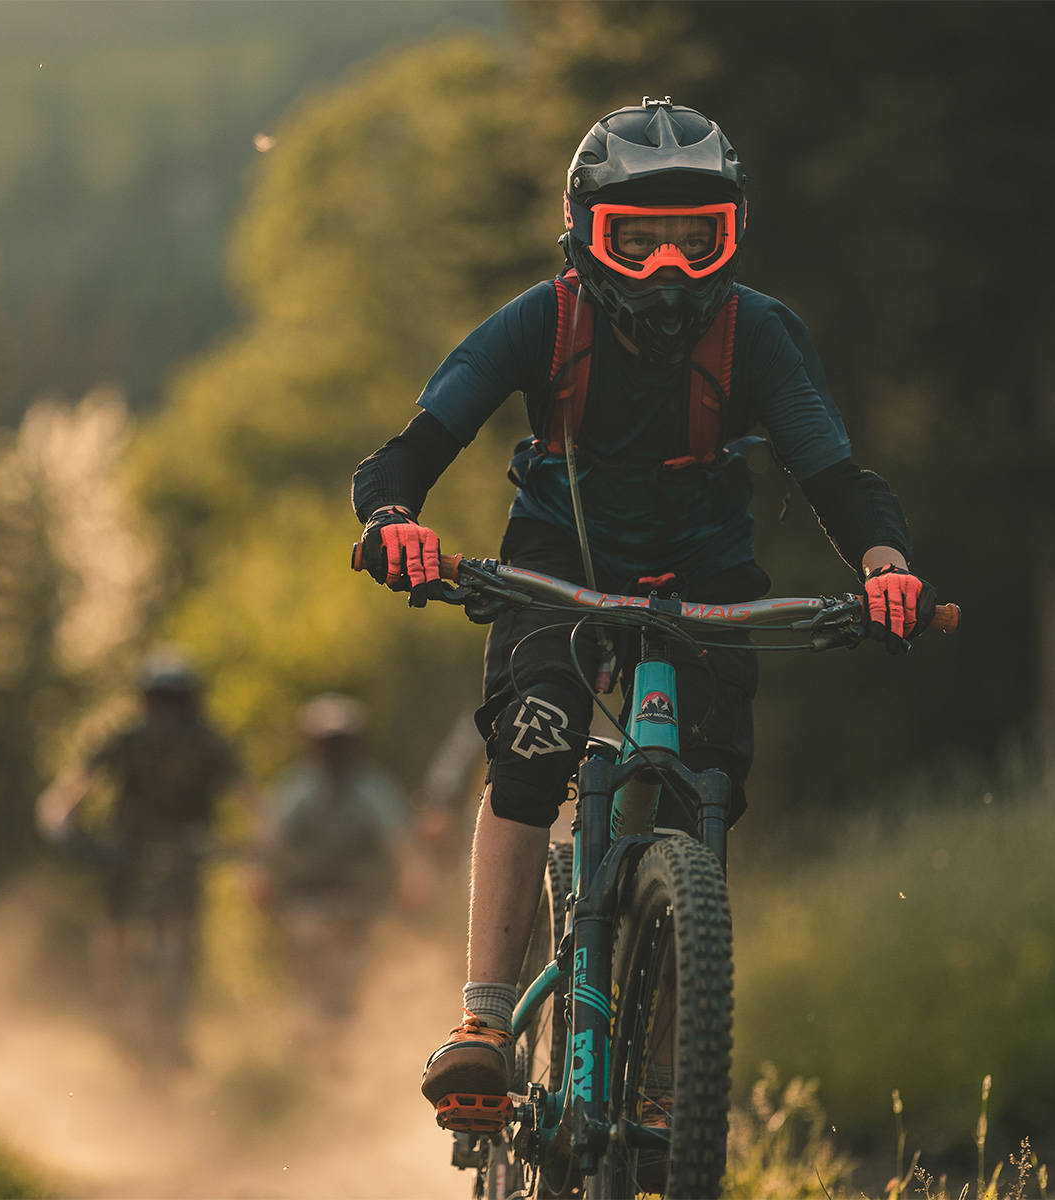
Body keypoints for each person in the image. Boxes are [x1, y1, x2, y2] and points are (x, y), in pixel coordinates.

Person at [347, 100, 936, 1124]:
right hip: (556, 565)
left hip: (704, 579)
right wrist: (395, 520)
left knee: (702, 791)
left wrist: (886, 566)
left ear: (734, 235)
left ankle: (670, 1080)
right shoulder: (544, 319)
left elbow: (837, 476)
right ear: (584, 237)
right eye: (638, 239)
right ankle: (485, 1019)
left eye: (697, 238)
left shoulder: (760, 334)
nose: (669, 269)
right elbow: (410, 449)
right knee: (531, 750)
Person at [37, 645, 240, 1066]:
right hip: (127, 851)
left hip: (187, 853)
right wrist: (59, 817)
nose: (165, 709)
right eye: (157, 699)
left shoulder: (209, 741)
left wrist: (261, 838)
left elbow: (248, 797)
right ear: (144, 700)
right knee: (112, 930)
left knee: (185, 934)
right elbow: (78, 783)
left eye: (174, 700)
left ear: (190, 702)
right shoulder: (124, 739)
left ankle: (177, 1024)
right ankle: (112, 1015)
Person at [260, 693, 412, 1018]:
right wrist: (258, 876)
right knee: (304, 952)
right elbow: (270, 838)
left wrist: (411, 877)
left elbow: (397, 840)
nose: (335, 752)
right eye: (328, 743)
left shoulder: (374, 788)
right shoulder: (296, 788)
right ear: (313, 746)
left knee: (361, 961)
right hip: (308, 893)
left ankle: (359, 1021)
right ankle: (303, 1017)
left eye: (342, 743)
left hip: (359, 895)